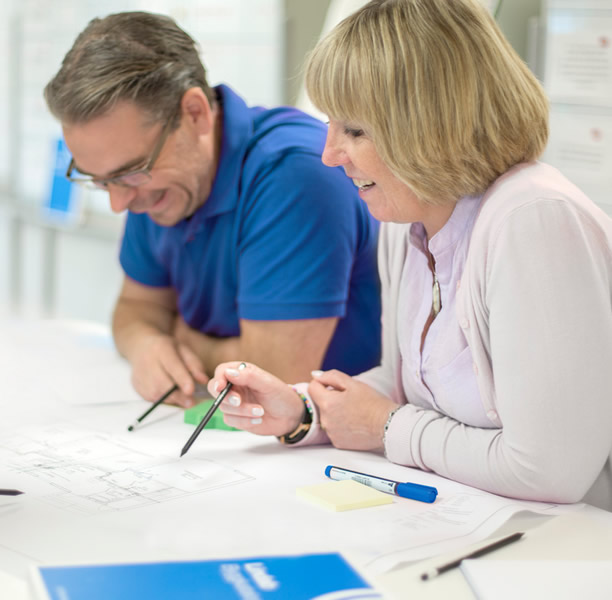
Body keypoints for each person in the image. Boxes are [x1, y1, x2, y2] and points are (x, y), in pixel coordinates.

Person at [208, 0, 612, 509]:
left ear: (431, 127)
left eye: (354, 131)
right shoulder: (408, 219)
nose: (329, 154)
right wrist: (303, 409)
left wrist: (386, 427)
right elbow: (413, 385)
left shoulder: (531, 218)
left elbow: (547, 470)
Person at [44, 12, 381, 408]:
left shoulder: (295, 173)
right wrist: (148, 344)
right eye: (101, 180)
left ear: (195, 114)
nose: (119, 203)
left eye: (129, 173)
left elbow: (274, 374)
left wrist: (184, 341)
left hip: (339, 444)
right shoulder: (152, 183)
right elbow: (134, 310)